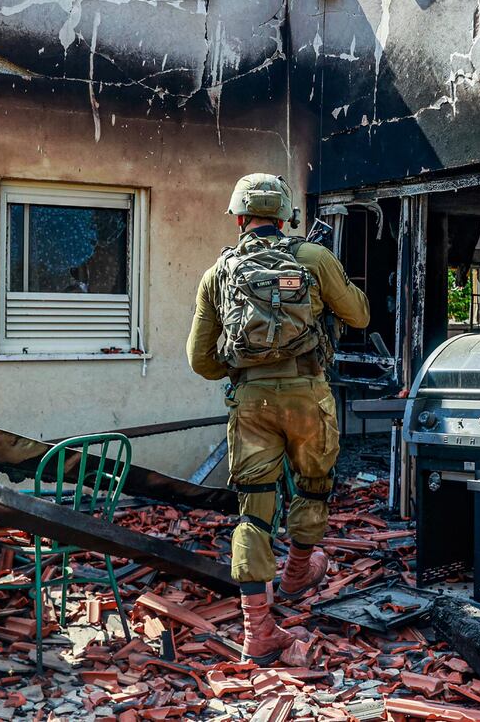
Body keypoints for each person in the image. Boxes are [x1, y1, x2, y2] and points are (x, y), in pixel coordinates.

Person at [186, 173, 370, 664]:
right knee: (312, 486)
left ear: (240, 218)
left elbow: (200, 362)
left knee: (254, 509)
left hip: (251, 402)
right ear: (287, 217)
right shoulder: (312, 259)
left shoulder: (218, 273)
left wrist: (247, 368)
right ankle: (298, 571)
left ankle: (258, 629)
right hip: (309, 394)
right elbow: (360, 316)